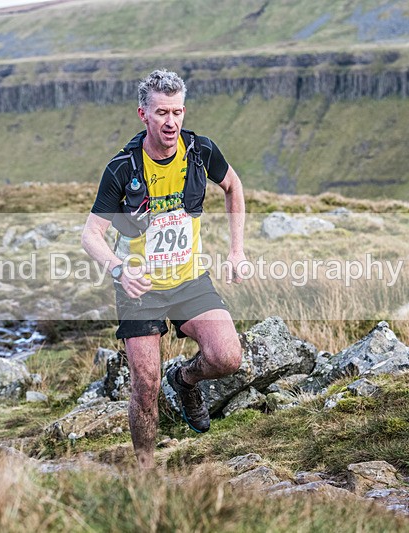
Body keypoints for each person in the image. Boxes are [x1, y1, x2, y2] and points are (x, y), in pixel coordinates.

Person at [81, 69, 247, 469]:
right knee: (145, 383)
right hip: (141, 286)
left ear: (184, 111)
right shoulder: (122, 168)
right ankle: (146, 471)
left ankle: (186, 380)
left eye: (176, 112)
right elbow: (90, 235)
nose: (170, 122)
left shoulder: (200, 151)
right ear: (144, 114)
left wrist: (236, 250)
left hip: (189, 279)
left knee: (227, 357)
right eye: (161, 113)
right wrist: (118, 269)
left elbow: (234, 187)